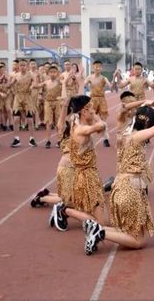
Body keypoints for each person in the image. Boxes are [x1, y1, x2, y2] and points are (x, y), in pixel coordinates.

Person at [81, 97, 154, 255]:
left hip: (120, 187)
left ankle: (98, 229)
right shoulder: (137, 137)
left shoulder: (123, 132)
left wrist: (145, 106)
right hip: (129, 190)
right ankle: (100, 232)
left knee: (134, 232)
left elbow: (125, 111)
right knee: (138, 242)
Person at [48, 96, 107, 231]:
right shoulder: (76, 128)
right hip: (70, 169)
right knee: (69, 201)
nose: (93, 111)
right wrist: (66, 104)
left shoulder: (79, 125)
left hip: (82, 171)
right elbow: (99, 126)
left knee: (77, 202)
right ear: (83, 111)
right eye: (90, 108)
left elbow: (100, 129)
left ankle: (64, 208)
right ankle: (62, 209)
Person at [84, 60, 114, 147]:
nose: (97, 68)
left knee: (103, 120)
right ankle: (88, 138)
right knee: (90, 120)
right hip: (92, 100)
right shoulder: (89, 77)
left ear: (101, 68)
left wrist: (114, 78)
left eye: (99, 67)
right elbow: (83, 84)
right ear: (93, 68)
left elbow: (110, 86)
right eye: (96, 66)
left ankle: (105, 139)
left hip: (102, 100)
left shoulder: (104, 78)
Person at [10, 59, 38, 147]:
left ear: (27, 66)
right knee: (16, 119)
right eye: (21, 65)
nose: (22, 67)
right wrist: (3, 83)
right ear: (19, 66)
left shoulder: (31, 75)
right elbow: (10, 85)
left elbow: (35, 83)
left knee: (29, 119)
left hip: (27, 97)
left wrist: (32, 86)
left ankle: (32, 138)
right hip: (18, 97)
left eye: (24, 65)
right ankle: (16, 139)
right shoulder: (16, 75)